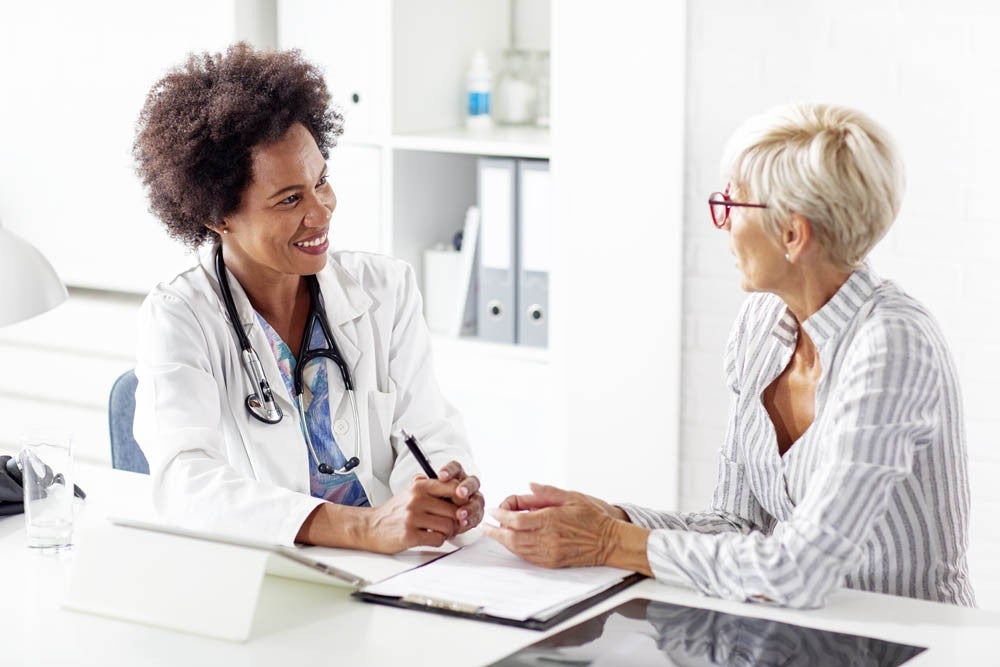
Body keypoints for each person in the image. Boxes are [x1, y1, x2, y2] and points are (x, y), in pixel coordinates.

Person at [484, 104, 975, 608]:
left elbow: (799, 571)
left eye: (731, 206)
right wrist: (612, 518)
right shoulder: (762, 324)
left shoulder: (892, 345)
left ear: (792, 234)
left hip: (912, 642)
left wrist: (610, 542)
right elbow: (737, 526)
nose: (721, 225)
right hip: (800, 637)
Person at [132, 43, 483, 552]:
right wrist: (362, 528)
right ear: (218, 216)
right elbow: (184, 481)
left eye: (322, 182)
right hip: (272, 568)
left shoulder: (386, 290)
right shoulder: (180, 317)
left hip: (395, 567)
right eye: (290, 199)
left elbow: (427, 429)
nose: (321, 213)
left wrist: (442, 493)